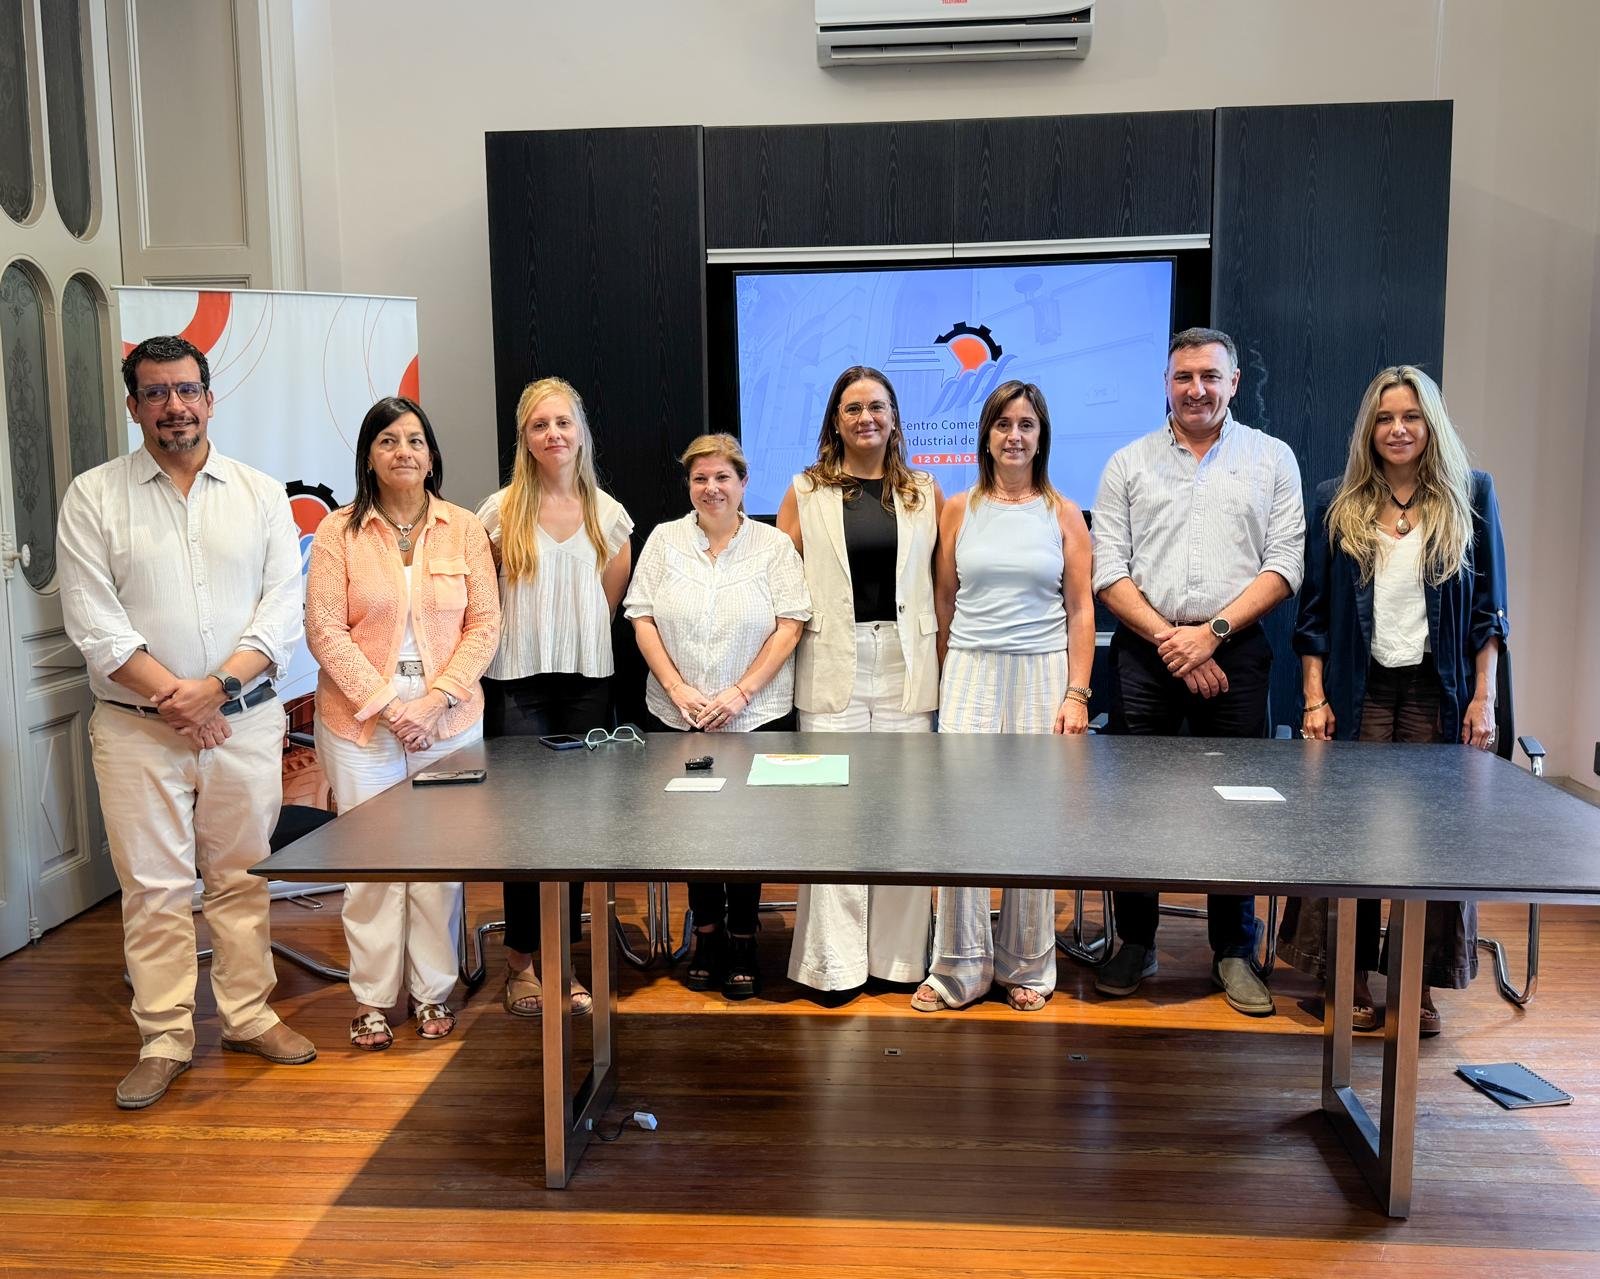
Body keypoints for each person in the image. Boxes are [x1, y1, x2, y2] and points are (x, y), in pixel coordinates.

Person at [58, 334, 314, 1109]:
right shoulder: (93, 497)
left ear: (209, 397)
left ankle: (248, 1015)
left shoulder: (260, 494)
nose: (175, 405)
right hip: (137, 728)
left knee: (240, 876)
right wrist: (181, 698)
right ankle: (165, 1037)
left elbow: (282, 610)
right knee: (155, 887)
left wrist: (214, 690)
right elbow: (95, 624)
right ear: (133, 405)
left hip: (242, 720)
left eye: (187, 389)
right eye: (156, 392)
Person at [1278, 366, 1508, 1037]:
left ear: (1431, 425)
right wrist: (1314, 698)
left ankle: (1417, 983)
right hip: (1362, 689)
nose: (1398, 429)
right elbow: (1313, 615)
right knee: (1346, 836)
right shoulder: (1337, 499)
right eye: (1384, 418)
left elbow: (1490, 611)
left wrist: (1485, 697)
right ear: (1368, 429)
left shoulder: (1471, 493)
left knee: (1432, 843)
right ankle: (1344, 974)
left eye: (1411, 417)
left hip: (1440, 693)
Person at [1090, 327, 1305, 1017]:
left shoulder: (1272, 458)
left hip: (1234, 648)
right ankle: (1136, 941)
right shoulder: (1127, 462)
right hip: (1145, 649)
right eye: (1184, 376)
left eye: (1210, 376)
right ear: (1166, 382)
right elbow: (1108, 570)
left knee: (1235, 805)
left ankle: (1234, 949)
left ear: (1233, 382)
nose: (1197, 389)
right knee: (1135, 807)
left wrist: (1210, 636)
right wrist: (1172, 641)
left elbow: (1285, 565)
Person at [305, 396, 500, 1049]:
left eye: (415, 440)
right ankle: (372, 998)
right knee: (374, 867)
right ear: (369, 456)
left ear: (432, 456)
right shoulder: (338, 531)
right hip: (362, 723)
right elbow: (324, 630)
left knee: (439, 864)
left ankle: (433, 990)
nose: (403, 451)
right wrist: (391, 705)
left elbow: (485, 625)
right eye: (387, 440)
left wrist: (436, 699)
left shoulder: (463, 527)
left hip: (449, 719)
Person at [912, 381, 1095, 1013]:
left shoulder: (1063, 513)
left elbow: (1081, 609)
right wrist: (949, 676)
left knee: (1031, 822)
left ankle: (1027, 965)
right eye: (1002, 424)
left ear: (1041, 438)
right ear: (986, 435)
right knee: (963, 822)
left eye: (1026, 425)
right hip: (970, 670)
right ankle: (958, 967)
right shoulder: (957, 509)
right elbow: (944, 599)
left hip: (1043, 673)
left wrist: (1077, 693)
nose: (1014, 436)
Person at [624, 434, 810, 999]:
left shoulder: (773, 546)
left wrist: (740, 693)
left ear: (743, 483)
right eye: (700, 478)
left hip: (754, 715)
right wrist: (677, 689)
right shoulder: (664, 540)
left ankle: (744, 938)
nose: (712, 488)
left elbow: (791, 624)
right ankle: (706, 937)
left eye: (722, 477)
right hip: (677, 714)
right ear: (689, 485)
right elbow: (641, 616)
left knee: (747, 832)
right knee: (693, 831)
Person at [777, 366, 942, 997]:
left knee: (905, 816)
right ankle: (833, 966)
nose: (865, 417)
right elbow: (780, 581)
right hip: (830, 659)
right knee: (833, 817)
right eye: (852, 408)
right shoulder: (805, 490)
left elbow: (942, 584)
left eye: (877, 406)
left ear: (894, 418)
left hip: (905, 662)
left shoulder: (924, 491)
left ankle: (898, 963)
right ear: (835, 421)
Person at [475, 378, 633, 1020]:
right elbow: (483, 602)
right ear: (525, 437)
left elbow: (608, 602)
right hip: (517, 685)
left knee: (574, 831)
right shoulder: (498, 512)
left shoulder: (609, 515)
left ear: (580, 431)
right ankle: (520, 965)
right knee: (523, 833)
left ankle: (563, 965)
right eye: (540, 425)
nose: (553, 434)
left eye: (563, 422)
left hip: (586, 685)